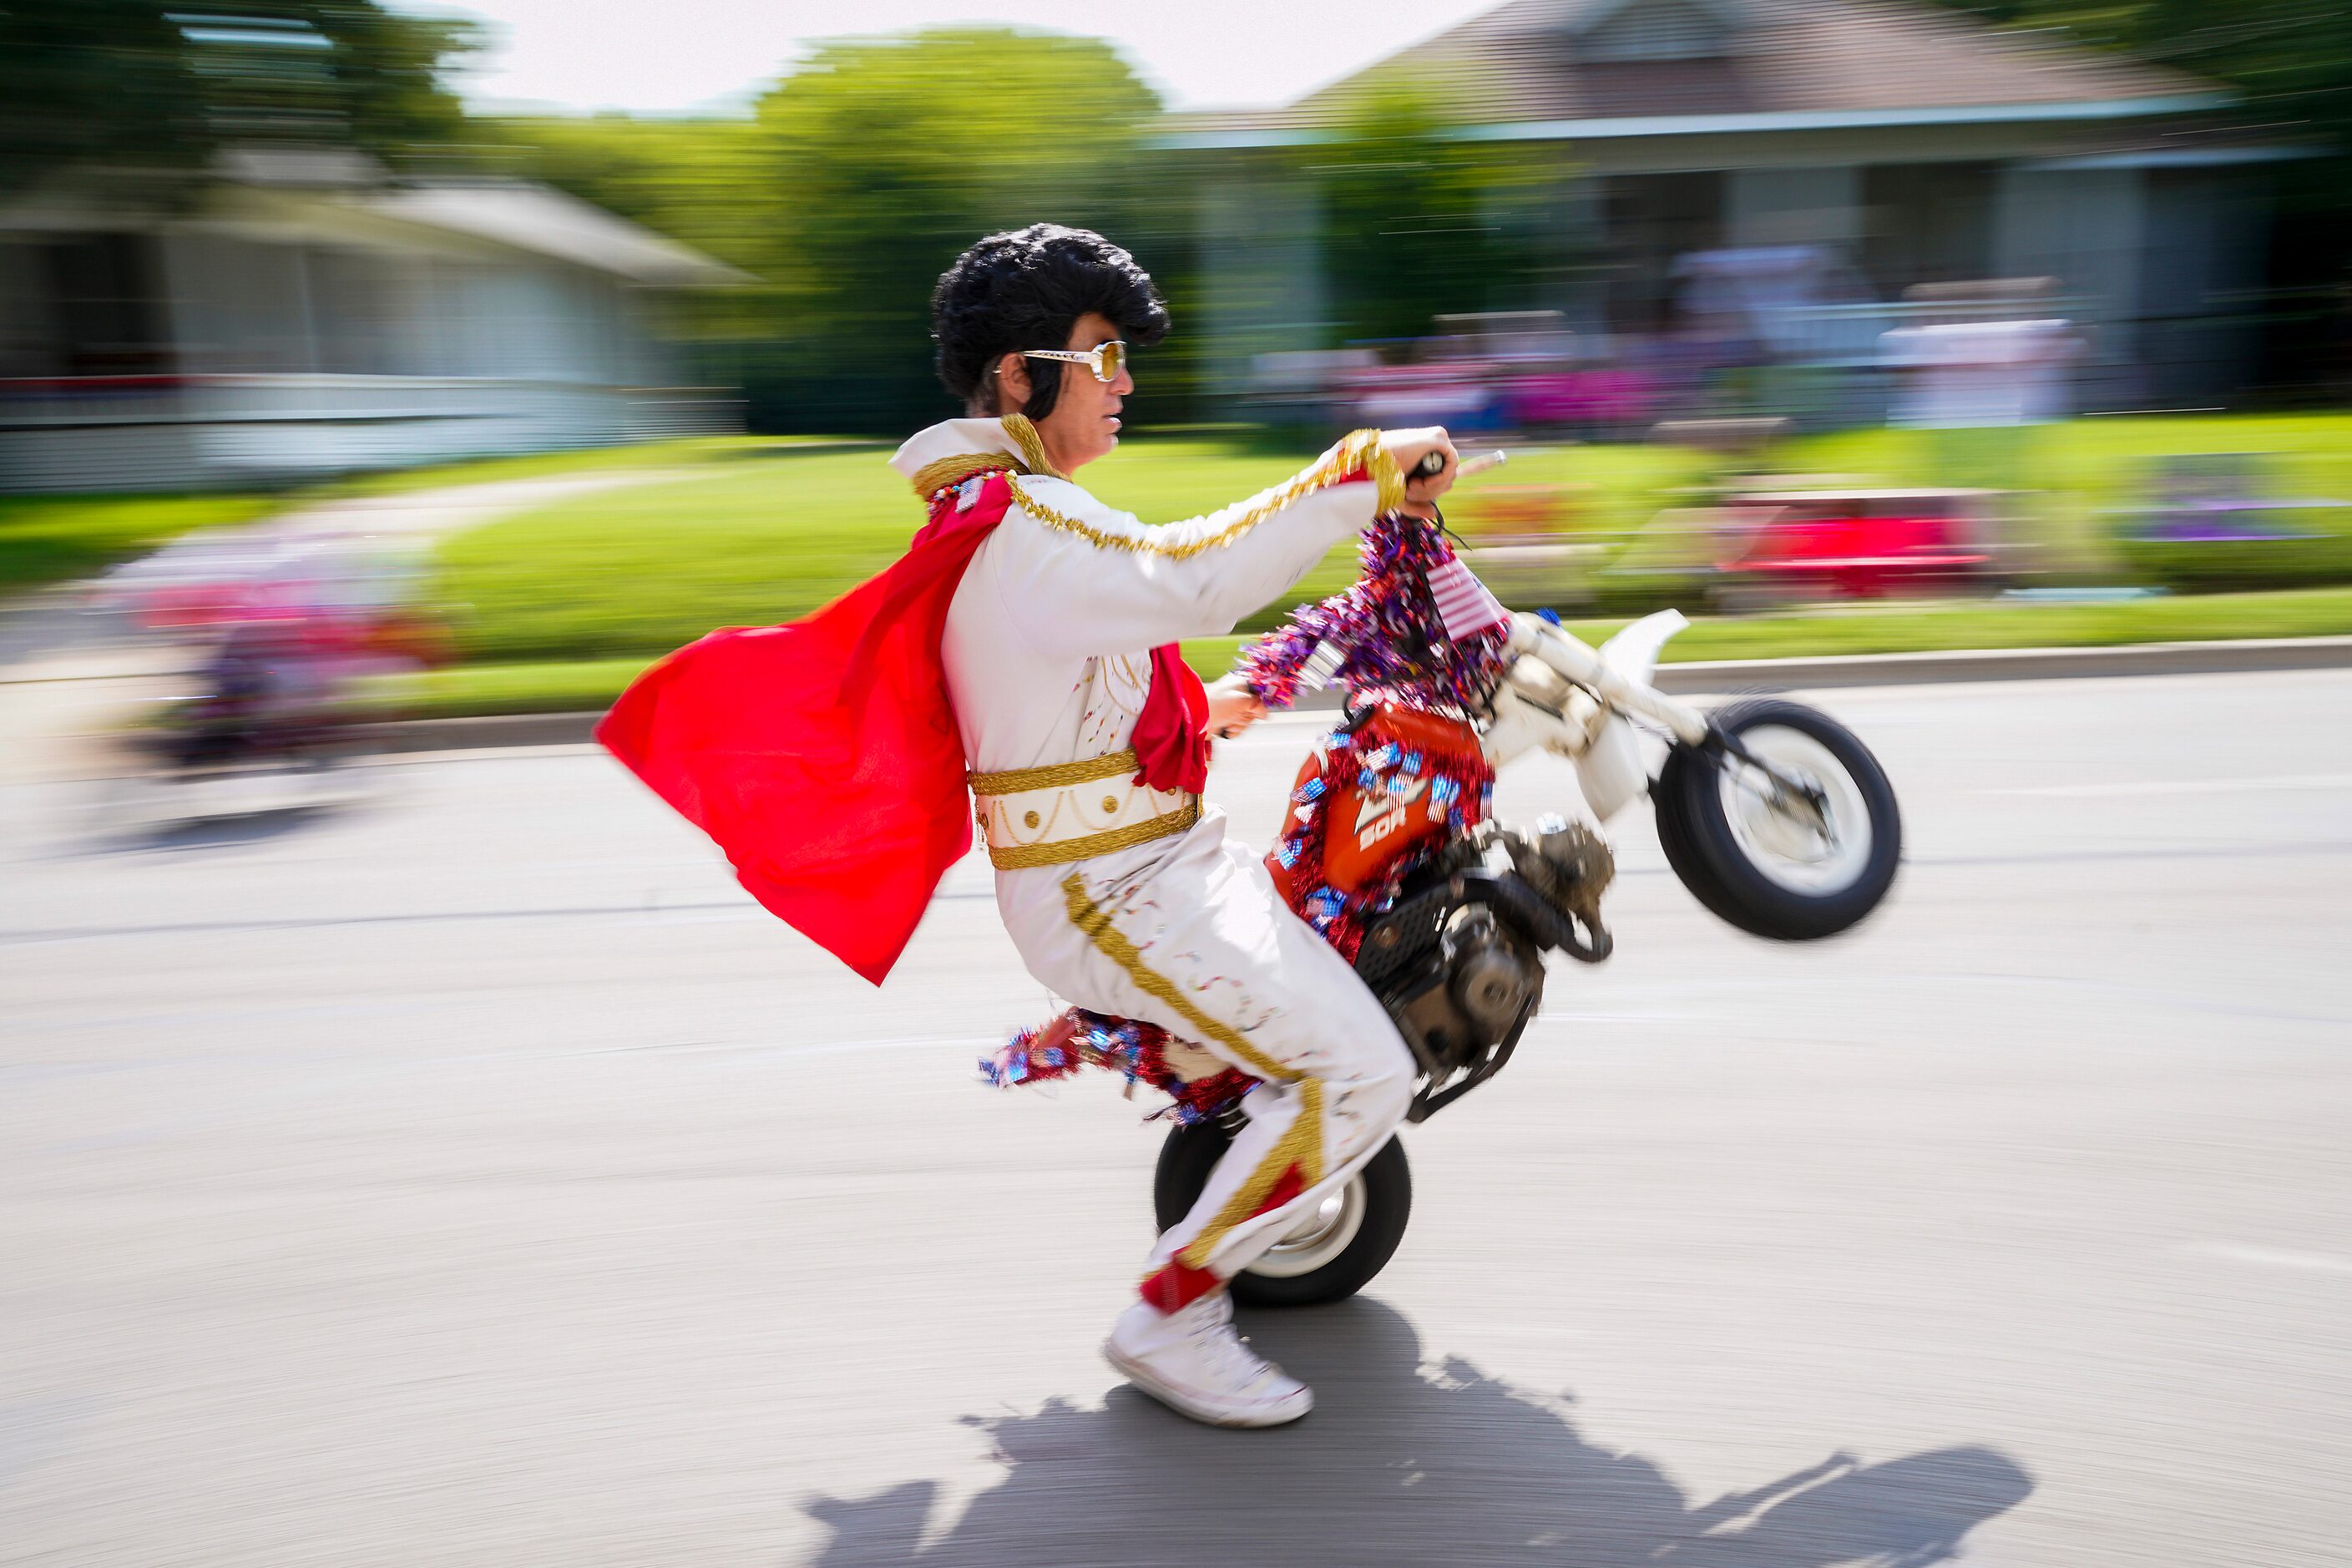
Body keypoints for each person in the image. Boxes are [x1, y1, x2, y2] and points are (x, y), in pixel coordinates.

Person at [598, 224, 1456, 1429]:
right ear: (1018, 375)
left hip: (1155, 862)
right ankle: (1170, 1313)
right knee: (1356, 1069)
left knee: (1351, 994)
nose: (1124, 385)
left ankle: (1238, 1213)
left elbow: (1072, 698)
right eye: (1101, 357)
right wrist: (1358, 465)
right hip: (1117, 892)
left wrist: (1216, 706)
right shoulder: (1028, 528)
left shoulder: (1015, 517)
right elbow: (1189, 576)